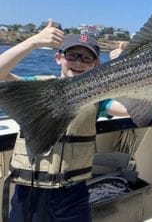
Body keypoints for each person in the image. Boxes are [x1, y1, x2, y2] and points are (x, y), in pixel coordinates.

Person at [0, 20, 129, 222]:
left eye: (87, 58)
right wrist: (32, 42)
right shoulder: (34, 87)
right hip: (30, 190)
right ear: (59, 58)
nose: (78, 62)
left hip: (72, 193)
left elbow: (131, 109)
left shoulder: (99, 98)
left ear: (96, 65)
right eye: (72, 56)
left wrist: (125, 66)